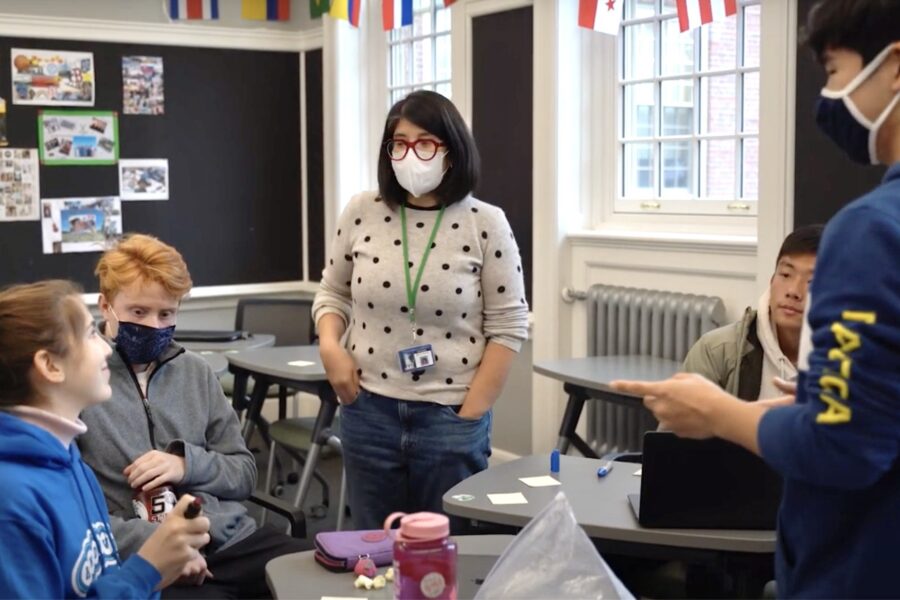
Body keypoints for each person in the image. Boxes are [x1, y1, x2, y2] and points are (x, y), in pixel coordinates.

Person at [613, 1, 900, 595]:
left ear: (894, 67)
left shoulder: (872, 230)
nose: (828, 92)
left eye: (832, 70)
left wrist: (722, 414)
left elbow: (841, 448)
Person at [313, 90, 529, 530]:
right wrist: (331, 347)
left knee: (446, 552)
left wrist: (471, 411)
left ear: (452, 150)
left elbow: (508, 326)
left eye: (426, 142)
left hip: (449, 415)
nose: (412, 154)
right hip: (368, 409)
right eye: (400, 143)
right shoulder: (361, 211)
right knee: (373, 546)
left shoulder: (485, 222)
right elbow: (332, 292)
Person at [78, 234, 309, 599]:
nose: (154, 325)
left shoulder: (196, 373)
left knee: (322, 577)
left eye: (167, 313)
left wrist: (187, 465)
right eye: (138, 312)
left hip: (230, 541)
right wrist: (166, 545)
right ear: (105, 306)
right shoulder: (81, 381)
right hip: (144, 555)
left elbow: (244, 474)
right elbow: (78, 514)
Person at [0, 280, 210, 598]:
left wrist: (157, 569)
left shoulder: (68, 459)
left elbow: (101, 578)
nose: (106, 347)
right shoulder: (12, 500)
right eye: (88, 335)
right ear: (50, 365)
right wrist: (147, 568)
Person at [683, 225, 823, 400]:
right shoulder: (716, 351)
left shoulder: (854, 363)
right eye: (786, 274)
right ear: (772, 280)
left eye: (812, 282)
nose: (793, 291)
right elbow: (679, 424)